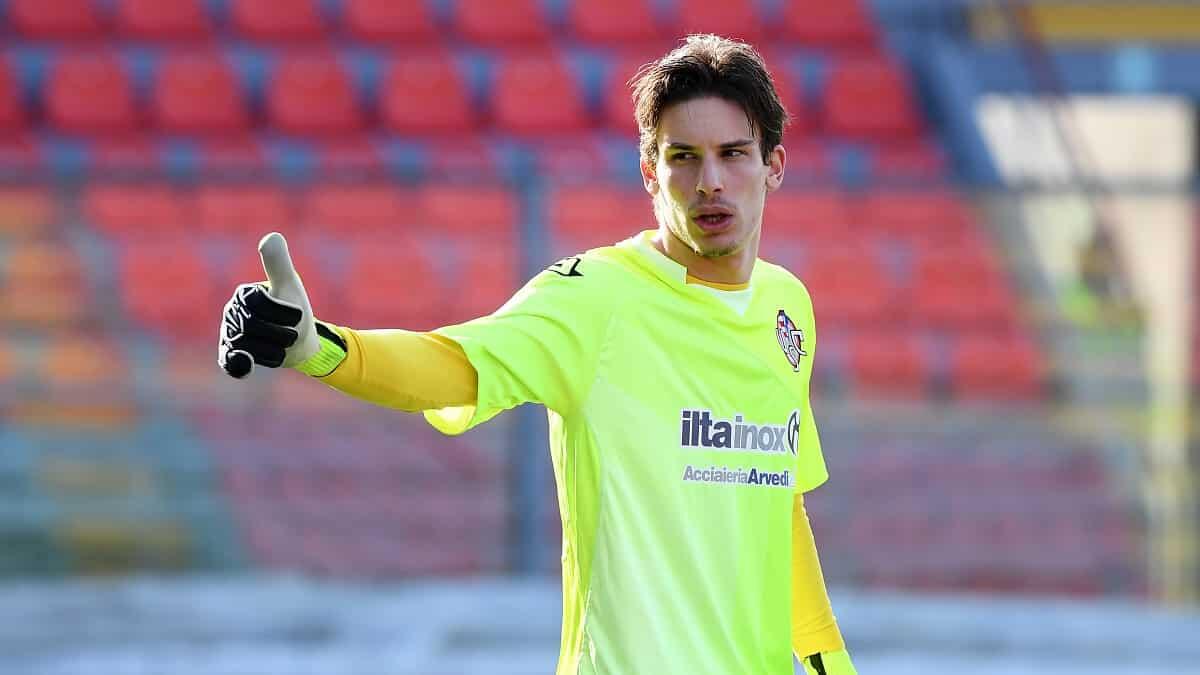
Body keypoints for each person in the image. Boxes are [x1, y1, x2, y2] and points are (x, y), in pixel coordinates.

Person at [218, 34, 857, 675]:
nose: (710, 181)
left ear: (774, 164)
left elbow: (781, 507)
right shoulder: (597, 297)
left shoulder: (786, 306)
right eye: (683, 157)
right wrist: (319, 348)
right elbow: (451, 366)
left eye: (733, 155)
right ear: (650, 173)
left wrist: (829, 661)